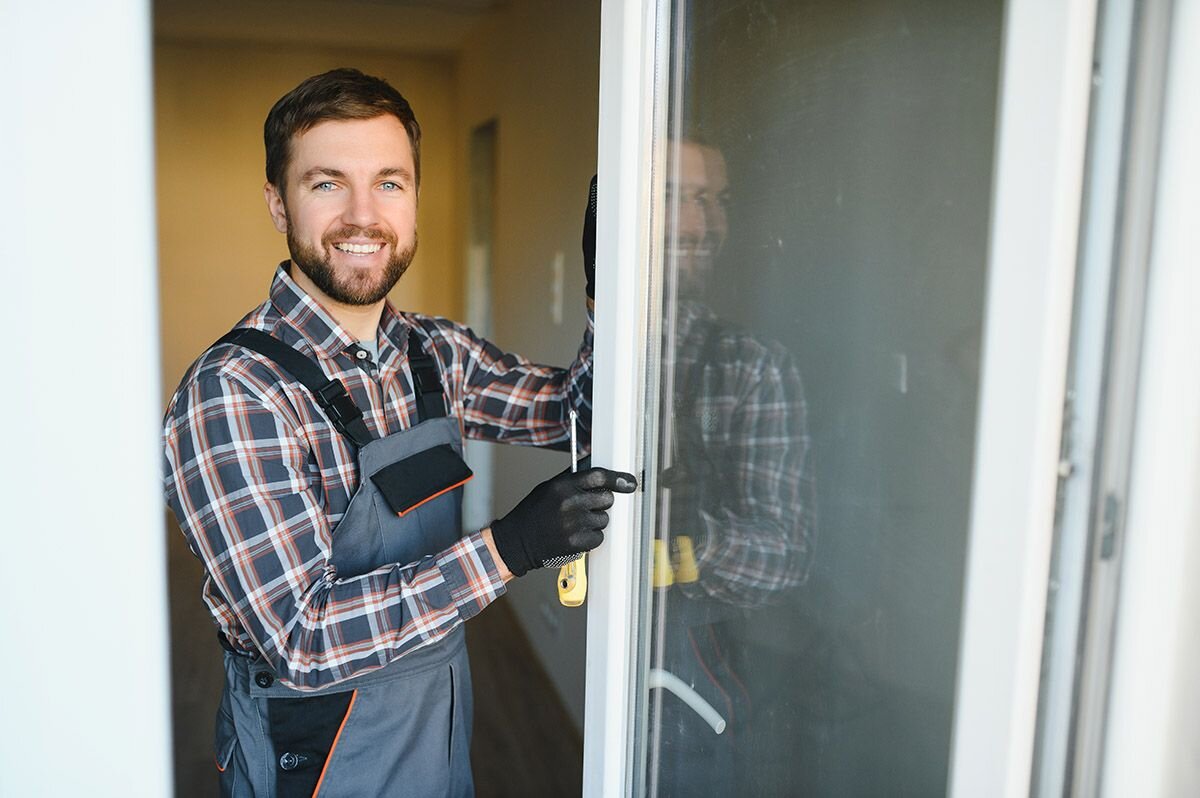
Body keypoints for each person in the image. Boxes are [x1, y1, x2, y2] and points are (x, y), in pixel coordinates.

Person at [162, 68, 635, 797]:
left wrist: (611, 297)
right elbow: (301, 639)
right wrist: (510, 547)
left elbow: (572, 415)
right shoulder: (234, 392)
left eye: (389, 183)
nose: (363, 215)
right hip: (314, 752)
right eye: (327, 184)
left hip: (435, 720)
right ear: (278, 203)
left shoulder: (433, 352)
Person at [649, 137, 816, 796]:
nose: (705, 224)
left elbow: (789, 555)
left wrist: (697, 538)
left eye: (715, 200)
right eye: (679, 197)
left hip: (702, 654)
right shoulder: (605, 353)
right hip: (614, 639)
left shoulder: (751, 364)